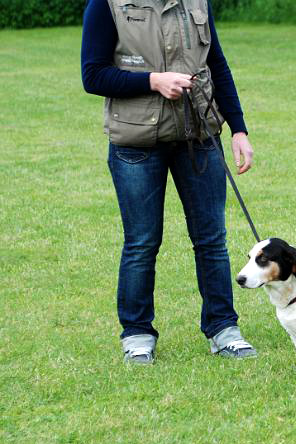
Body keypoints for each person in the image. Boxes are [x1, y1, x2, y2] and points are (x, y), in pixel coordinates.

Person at [81, 0, 257, 364]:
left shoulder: (197, 2)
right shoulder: (107, 3)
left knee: (212, 239)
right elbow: (93, 75)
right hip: (136, 144)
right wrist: (152, 81)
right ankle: (137, 334)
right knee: (142, 243)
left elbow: (216, 65)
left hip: (198, 137)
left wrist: (238, 129)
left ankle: (223, 328)